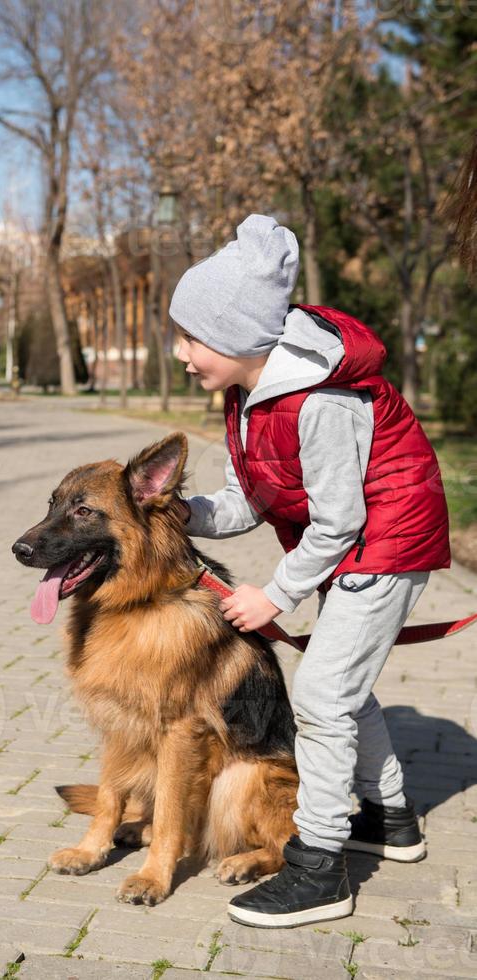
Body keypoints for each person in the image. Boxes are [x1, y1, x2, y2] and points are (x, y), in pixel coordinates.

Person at [169, 214, 451, 929]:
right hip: (352, 546)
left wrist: (277, 595)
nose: (180, 353)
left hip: (387, 543)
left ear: (237, 337)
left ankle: (319, 866)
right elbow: (247, 499)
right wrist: (184, 514)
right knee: (345, 686)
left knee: (323, 695)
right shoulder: (246, 397)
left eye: (191, 337)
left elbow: (339, 521)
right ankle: (389, 819)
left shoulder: (319, 399)